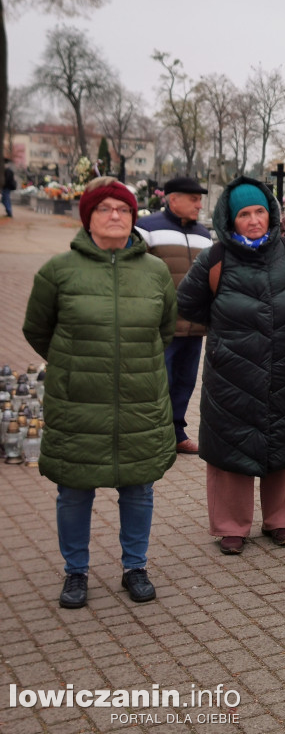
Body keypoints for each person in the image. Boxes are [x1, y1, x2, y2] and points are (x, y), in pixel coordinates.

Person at [22, 177, 177, 608]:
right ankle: (76, 572)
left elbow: (165, 330)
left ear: (133, 218)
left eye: (123, 209)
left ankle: (135, 567)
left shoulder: (155, 272)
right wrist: (74, 365)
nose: (115, 216)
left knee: (139, 488)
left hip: (139, 399)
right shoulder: (58, 271)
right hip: (79, 401)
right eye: (105, 208)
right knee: (74, 490)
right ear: (87, 217)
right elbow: (37, 329)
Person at [177, 178, 285, 555]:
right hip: (232, 372)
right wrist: (227, 334)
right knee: (230, 446)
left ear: (271, 213)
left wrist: (283, 330)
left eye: (260, 211)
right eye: (244, 213)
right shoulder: (214, 258)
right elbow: (188, 303)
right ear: (230, 219)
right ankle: (231, 526)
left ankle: (281, 520)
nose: (254, 220)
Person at [136, 176, 212, 455]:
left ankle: (176, 433)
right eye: (194, 199)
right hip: (161, 326)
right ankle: (151, 436)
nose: (199, 205)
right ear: (173, 199)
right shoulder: (146, 228)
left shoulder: (204, 234)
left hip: (195, 326)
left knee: (185, 382)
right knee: (158, 383)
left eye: (200, 200)